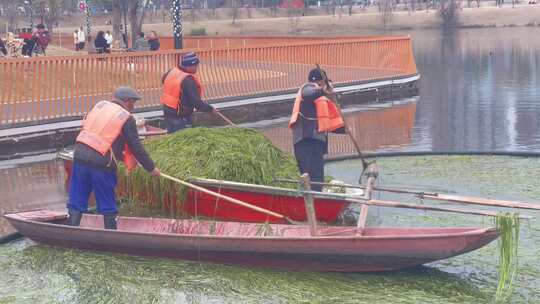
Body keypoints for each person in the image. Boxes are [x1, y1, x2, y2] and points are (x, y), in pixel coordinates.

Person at [67, 86, 161, 230]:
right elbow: (136, 146)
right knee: (107, 203)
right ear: (127, 101)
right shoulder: (125, 117)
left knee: (77, 198)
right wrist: (151, 168)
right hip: (101, 163)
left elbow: (105, 135)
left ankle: (71, 231)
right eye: (133, 103)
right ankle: (111, 234)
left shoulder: (99, 107)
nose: (133, 108)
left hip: (79, 156)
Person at [288, 68, 346, 191]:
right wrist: (322, 90)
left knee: (317, 177)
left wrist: (345, 129)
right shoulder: (308, 89)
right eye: (325, 83)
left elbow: (326, 123)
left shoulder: (322, 99)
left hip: (316, 143)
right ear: (320, 83)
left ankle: (316, 200)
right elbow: (309, 93)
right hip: (306, 141)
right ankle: (313, 202)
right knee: (312, 177)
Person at [160, 52, 215, 133]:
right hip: (180, 116)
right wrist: (210, 109)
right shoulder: (188, 80)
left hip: (168, 111)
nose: (196, 68)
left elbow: (164, 80)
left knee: (172, 137)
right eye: (195, 66)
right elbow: (196, 102)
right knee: (183, 139)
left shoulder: (171, 71)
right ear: (189, 66)